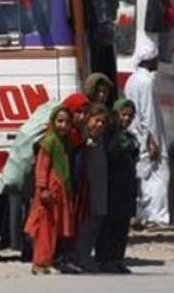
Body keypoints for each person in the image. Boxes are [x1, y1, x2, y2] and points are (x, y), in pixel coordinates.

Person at [124, 37, 170, 226]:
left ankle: (143, 213)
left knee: (143, 175)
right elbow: (148, 114)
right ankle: (155, 216)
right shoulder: (146, 82)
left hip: (136, 133)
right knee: (158, 174)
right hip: (148, 136)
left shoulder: (132, 79)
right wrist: (153, 141)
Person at [24, 106, 75, 274]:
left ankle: (47, 261)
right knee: (45, 229)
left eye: (67, 122)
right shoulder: (49, 142)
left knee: (55, 229)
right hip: (49, 193)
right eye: (60, 121)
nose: (63, 125)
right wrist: (42, 188)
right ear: (53, 122)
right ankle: (39, 263)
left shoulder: (64, 142)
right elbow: (42, 167)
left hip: (59, 193)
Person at [100, 98, 141, 273]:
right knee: (110, 224)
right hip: (112, 186)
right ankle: (106, 258)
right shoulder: (108, 135)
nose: (126, 119)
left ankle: (117, 258)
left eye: (130, 116)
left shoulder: (130, 137)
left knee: (122, 224)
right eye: (123, 115)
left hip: (126, 187)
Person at [72, 104, 110, 271]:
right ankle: (79, 257)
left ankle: (85, 256)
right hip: (85, 191)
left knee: (95, 223)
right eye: (97, 121)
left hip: (99, 189)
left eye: (103, 122)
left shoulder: (101, 140)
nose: (100, 125)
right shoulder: (81, 139)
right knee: (84, 224)